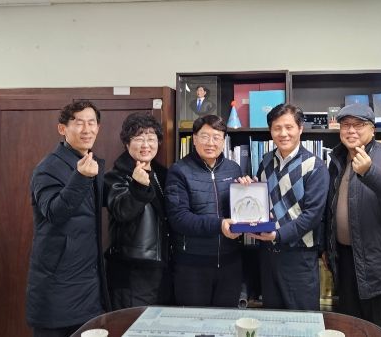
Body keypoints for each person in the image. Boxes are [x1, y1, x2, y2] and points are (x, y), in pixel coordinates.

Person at [26, 100, 110, 337]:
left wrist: (138, 188)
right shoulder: (47, 168)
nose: (87, 129)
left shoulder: (90, 163)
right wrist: (81, 177)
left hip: (89, 287)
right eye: (79, 123)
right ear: (62, 129)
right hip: (57, 287)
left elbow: (109, 203)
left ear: (98, 128)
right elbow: (55, 212)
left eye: (91, 123)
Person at [325, 103, 381, 337]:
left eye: (358, 125)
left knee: (380, 330)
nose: (351, 130)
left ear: (373, 129)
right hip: (345, 260)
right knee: (350, 327)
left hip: (380, 263)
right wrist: (327, 248)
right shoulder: (337, 159)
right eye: (345, 125)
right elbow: (329, 208)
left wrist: (370, 171)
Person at [242, 103, 330, 310]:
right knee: (273, 317)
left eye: (289, 127)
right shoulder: (265, 161)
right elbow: (260, 202)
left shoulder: (315, 166)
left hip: (299, 257)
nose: (283, 133)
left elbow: (312, 216)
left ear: (300, 128)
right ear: (270, 131)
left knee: (302, 319)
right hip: (268, 255)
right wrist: (247, 188)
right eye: (277, 128)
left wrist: (278, 235)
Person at [165, 114, 243, 307]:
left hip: (230, 264)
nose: (210, 143)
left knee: (226, 321)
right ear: (194, 139)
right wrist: (219, 225)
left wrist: (250, 192)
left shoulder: (234, 169)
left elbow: (239, 210)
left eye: (216, 137)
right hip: (192, 266)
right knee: (194, 321)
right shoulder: (179, 171)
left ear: (223, 141)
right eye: (205, 136)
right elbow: (179, 218)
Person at [105, 113, 172, 309]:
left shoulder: (162, 174)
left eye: (151, 138)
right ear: (127, 143)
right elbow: (122, 211)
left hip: (162, 268)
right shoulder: (116, 176)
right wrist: (138, 186)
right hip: (132, 270)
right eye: (139, 138)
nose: (146, 144)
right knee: (133, 322)